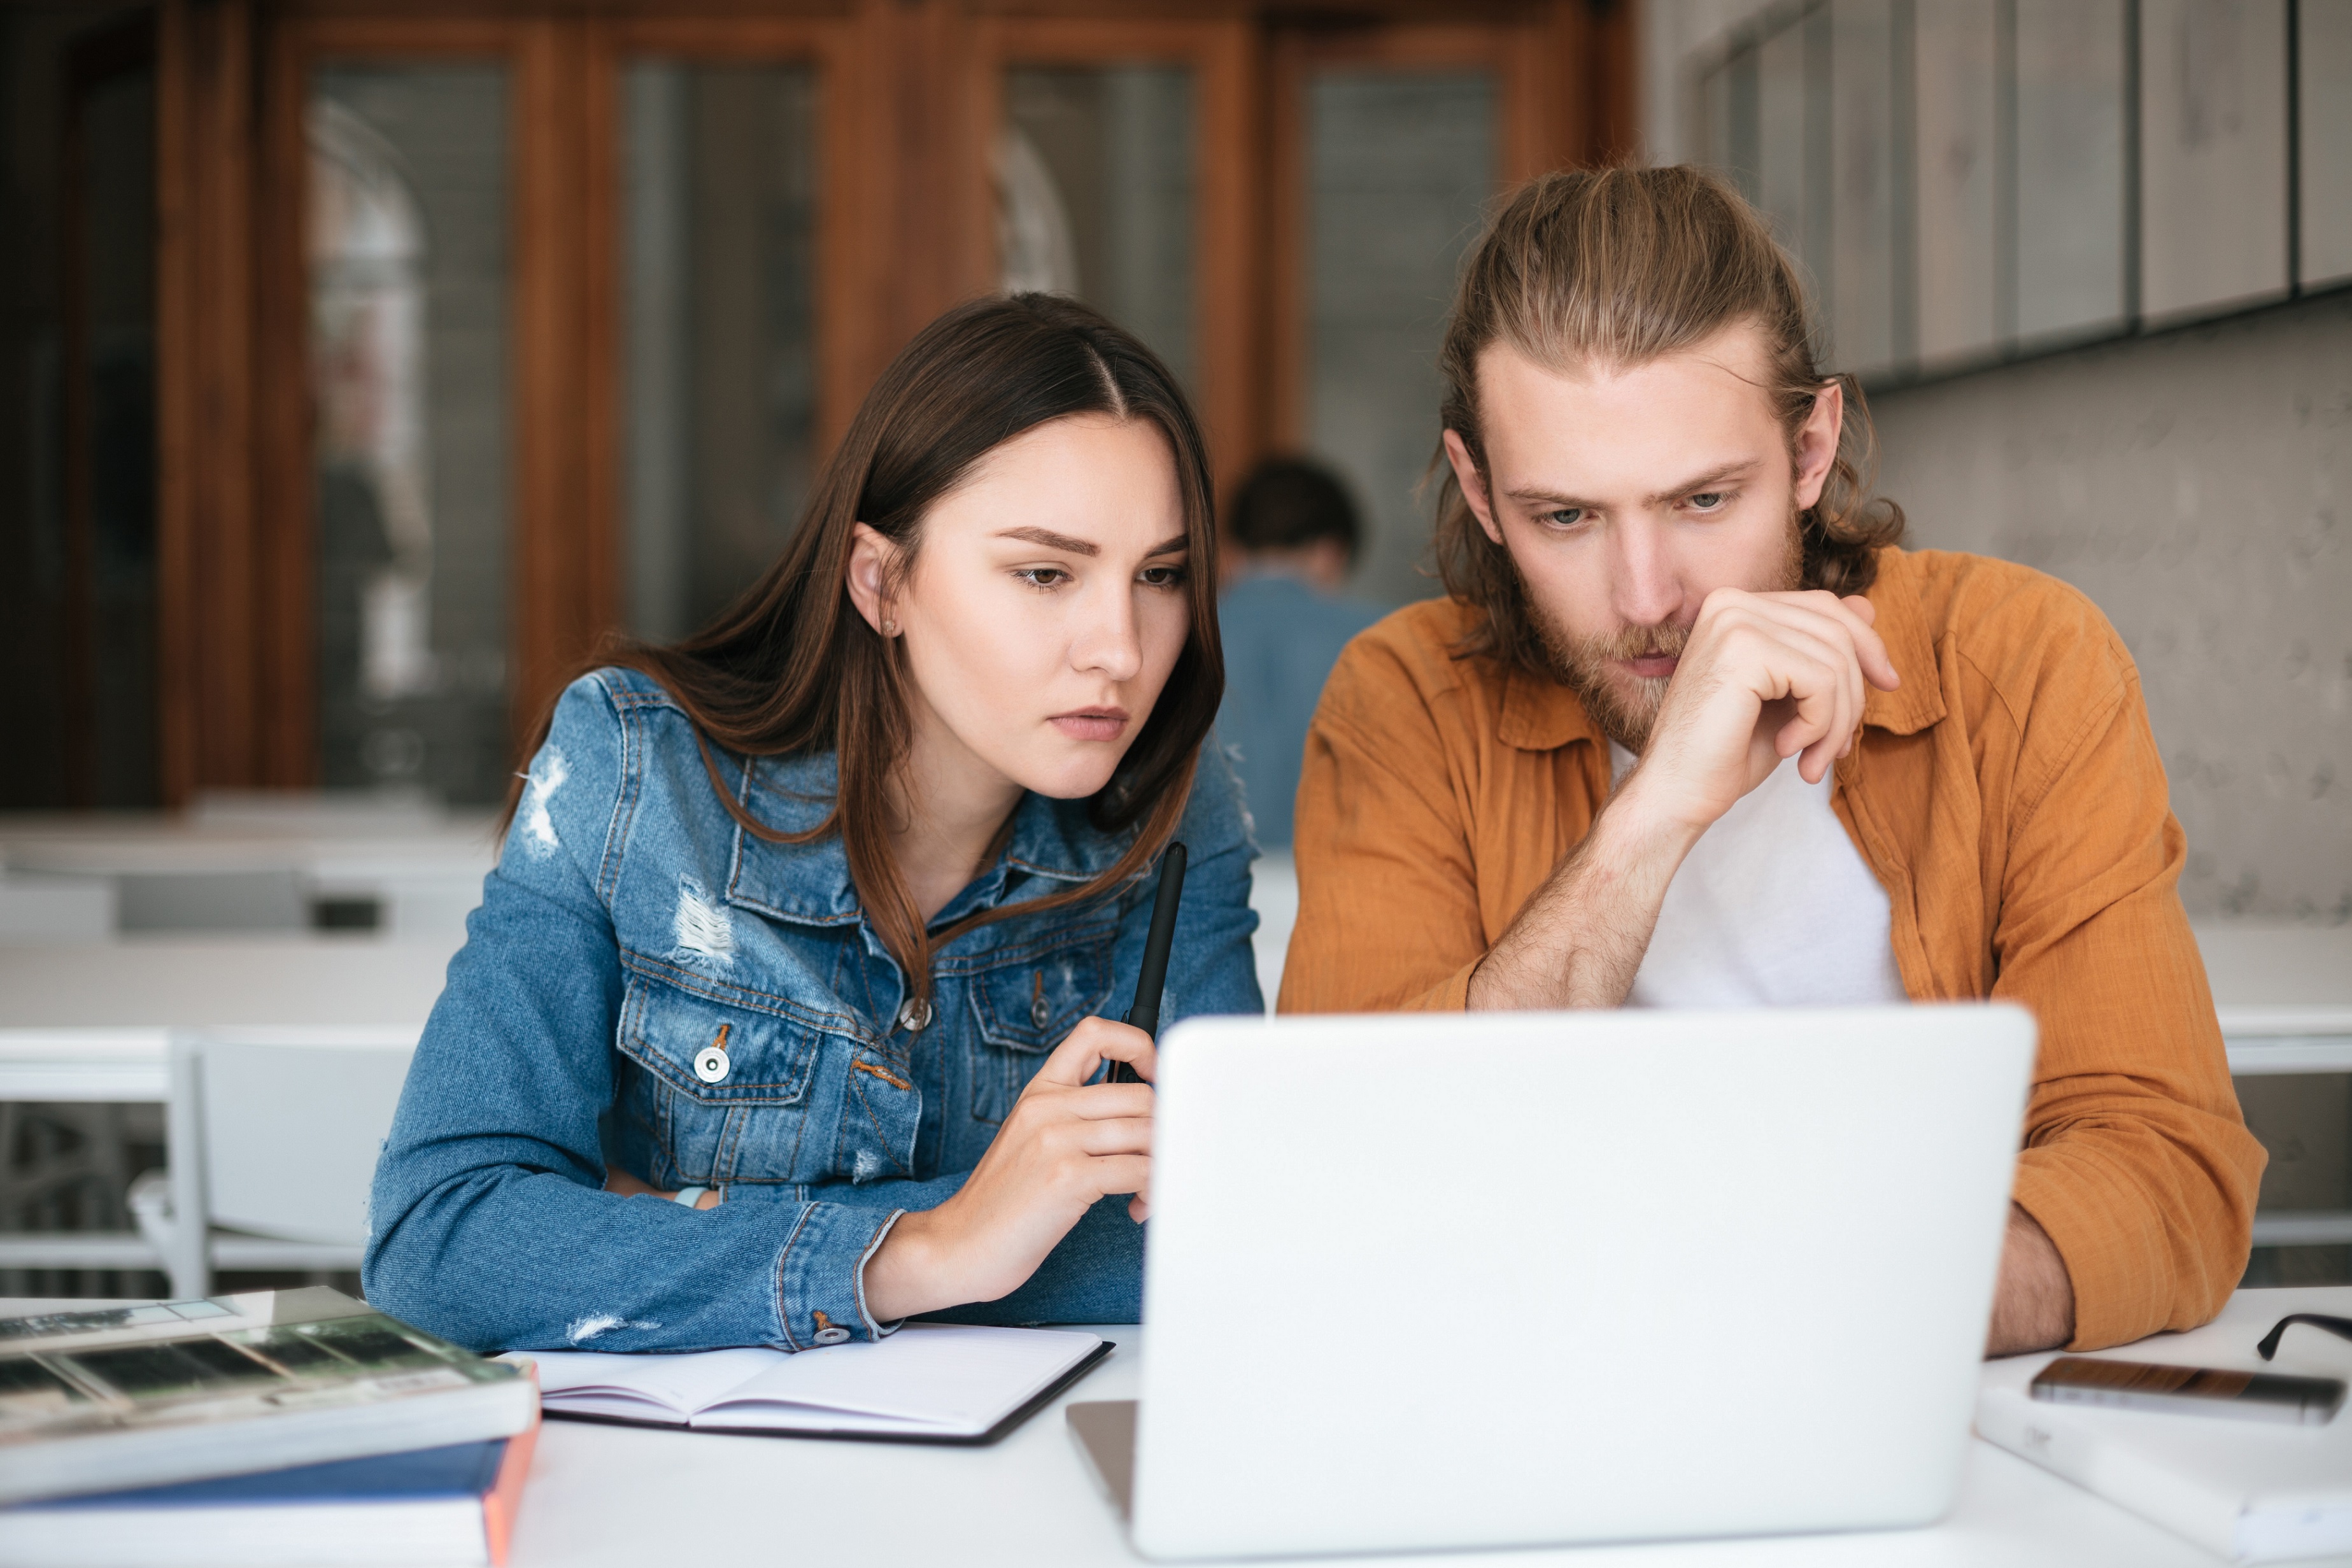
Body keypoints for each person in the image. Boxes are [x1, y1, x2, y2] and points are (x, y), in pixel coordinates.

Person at [1280, 167, 2262, 1357]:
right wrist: (1654, 816)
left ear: (1808, 448)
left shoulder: (2023, 660)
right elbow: (1337, 1178)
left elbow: (2164, 1171)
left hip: (1908, 1396)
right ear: (1480, 493)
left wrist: (1811, 1318)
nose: (1646, 600)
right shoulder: (1405, 702)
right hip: (1530, 1402)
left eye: (1701, 499)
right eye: (1565, 517)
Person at [365, 295, 1262, 1353]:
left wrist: (668, 1217)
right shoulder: (634, 770)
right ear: (880, 581)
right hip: (667, 1486)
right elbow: (440, 1239)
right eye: (1044, 573)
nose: (1118, 647)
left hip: (1020, 1490)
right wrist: (925, 1247)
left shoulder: (1174, 817)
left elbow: (1222, 1227)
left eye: (1158, 575)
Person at [1215, 458, 1384, 844]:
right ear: (1332, 551)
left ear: (1231, 549)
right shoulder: (1387, 638)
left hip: (1190, 886)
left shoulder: (1173, 633)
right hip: (1341, 884)